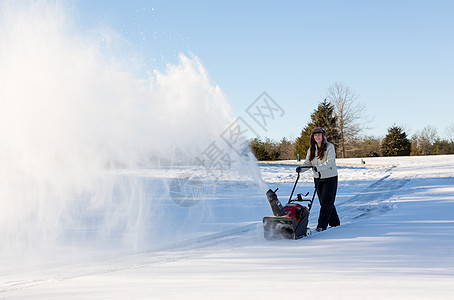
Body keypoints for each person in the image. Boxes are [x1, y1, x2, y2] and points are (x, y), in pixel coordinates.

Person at [296, 127, 340, 231]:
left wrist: (318, 168)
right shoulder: (311, 149)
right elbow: (308, 162)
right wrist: (301, 169)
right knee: (325, 203)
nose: (317, 137)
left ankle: (321, 226)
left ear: (323, 136)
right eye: (315, 135)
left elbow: (330, 162)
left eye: (319, 135)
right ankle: (335, 223)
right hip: (318, 178)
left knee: (326, 203)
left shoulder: (330, 147)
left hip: (330, 177)